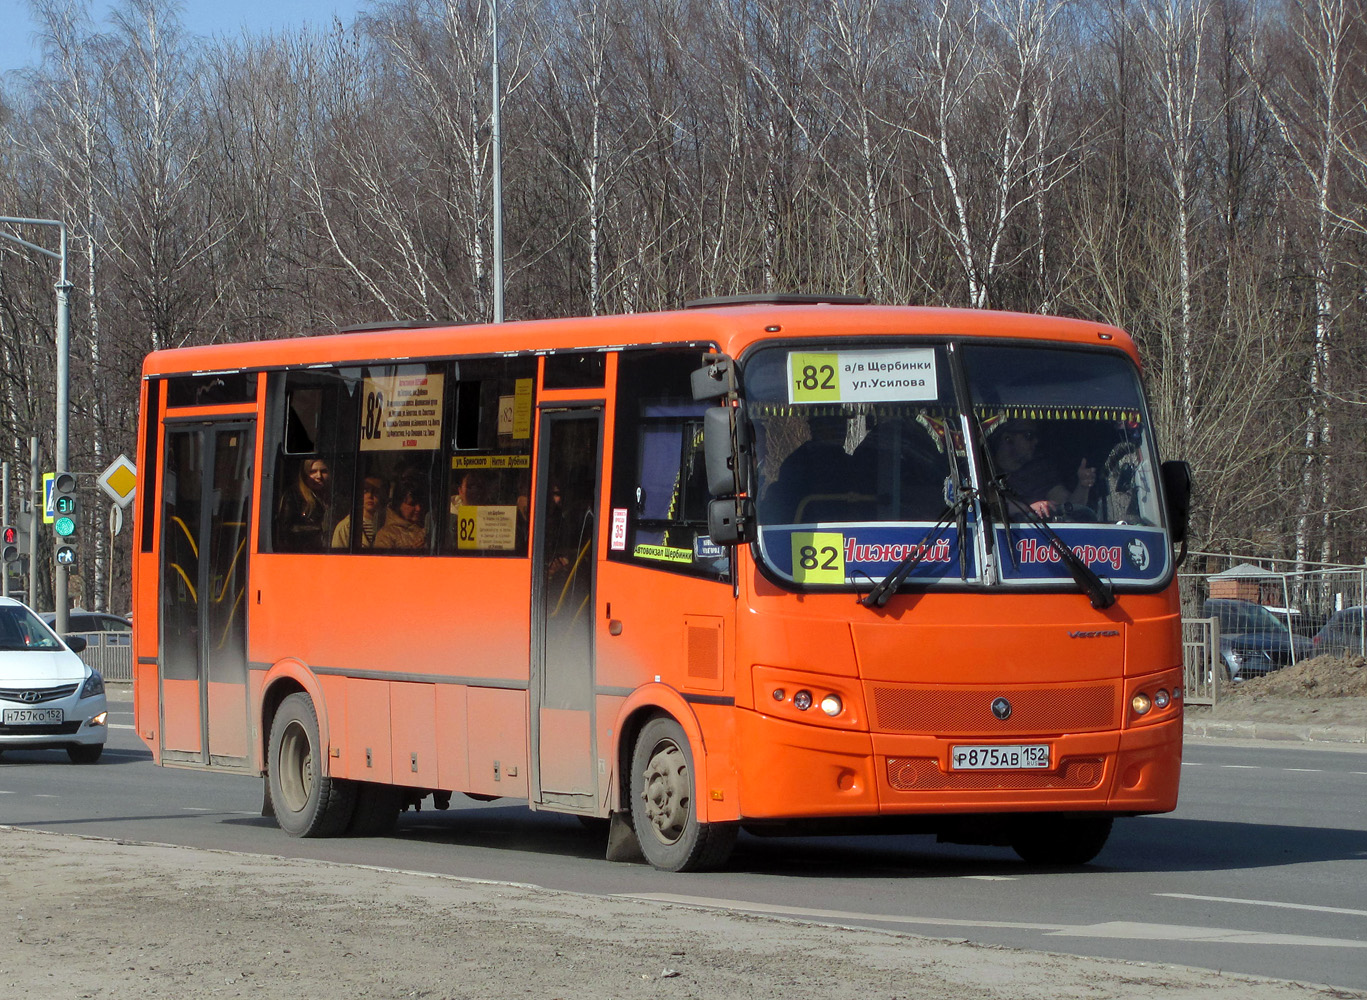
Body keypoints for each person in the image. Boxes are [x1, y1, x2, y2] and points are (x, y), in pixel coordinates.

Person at [990, 418, 1096, 518]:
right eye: (1029, 436)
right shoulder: (981, 465)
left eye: (1036, 436)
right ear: (1007, 438)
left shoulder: (1039, 472)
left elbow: (1070, 508)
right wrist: (1029, 509)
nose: (1035, 441)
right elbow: (987, 503)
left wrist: (1083, 485)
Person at [275, 457, 333, 551]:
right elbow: (285, 528)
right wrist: (318, 528)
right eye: (313, 471)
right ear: (304, 474)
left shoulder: (334, 496)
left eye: (323, 471)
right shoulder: (293, 495)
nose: (319, 476)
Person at [374, 471, 430, 550]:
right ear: (398, 504)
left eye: (420, 503)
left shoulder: (430, 529)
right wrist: (410, 553)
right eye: (412, 504)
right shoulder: (386, 535)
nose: (418, 508)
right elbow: (382, 562)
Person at [332, 474, 386, 550]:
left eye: (375, 491)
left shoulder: (387, 525)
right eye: (365, 491)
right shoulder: (345, 527)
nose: (370, 495)